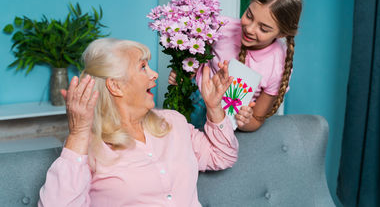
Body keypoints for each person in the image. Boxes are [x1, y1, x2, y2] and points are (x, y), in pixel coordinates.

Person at [38, 38, 237, 207]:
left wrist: (214, 106)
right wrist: (78, 134)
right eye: (143, 67)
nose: (154, 74)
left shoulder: (173, 122)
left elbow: (222, 156)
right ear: (116, 86)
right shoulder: (88, 145)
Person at [169, 0, 303, 131]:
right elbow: (194, 58)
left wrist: (245, 120)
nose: (250, 29)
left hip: (223, 123)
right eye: (249, 16)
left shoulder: (277, 68)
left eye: (263, 29)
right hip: (194, 99)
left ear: (282, 34)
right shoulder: (222, 28)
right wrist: (184, 74)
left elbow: (256, 120)